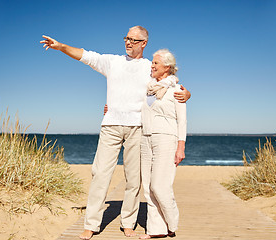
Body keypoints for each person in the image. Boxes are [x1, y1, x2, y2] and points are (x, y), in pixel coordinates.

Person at [40, 26, 190, 240]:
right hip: (110, 125)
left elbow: (171, 80)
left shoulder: (150, 67)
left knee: (133, 180)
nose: (128, 42)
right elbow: (86, 56)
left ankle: (128, 223)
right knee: (100, 173)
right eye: (126, 38)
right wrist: (62, 47)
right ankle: (91, 225)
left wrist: (188, 93)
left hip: (138, 127)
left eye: (133, 39)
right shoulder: (113, 62)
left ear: (143, 43)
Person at [139, 49, 187, 239]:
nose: (152, 65)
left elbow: (182, 121)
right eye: (152, 62)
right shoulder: (148, 88)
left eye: (155, 63)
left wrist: (180, 147)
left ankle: (172, 223)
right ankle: (155, 230)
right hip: (145, 138)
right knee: (148, 187)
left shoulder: (177, 90)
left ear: (167, 67)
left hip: (166, 138)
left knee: (160, 186)